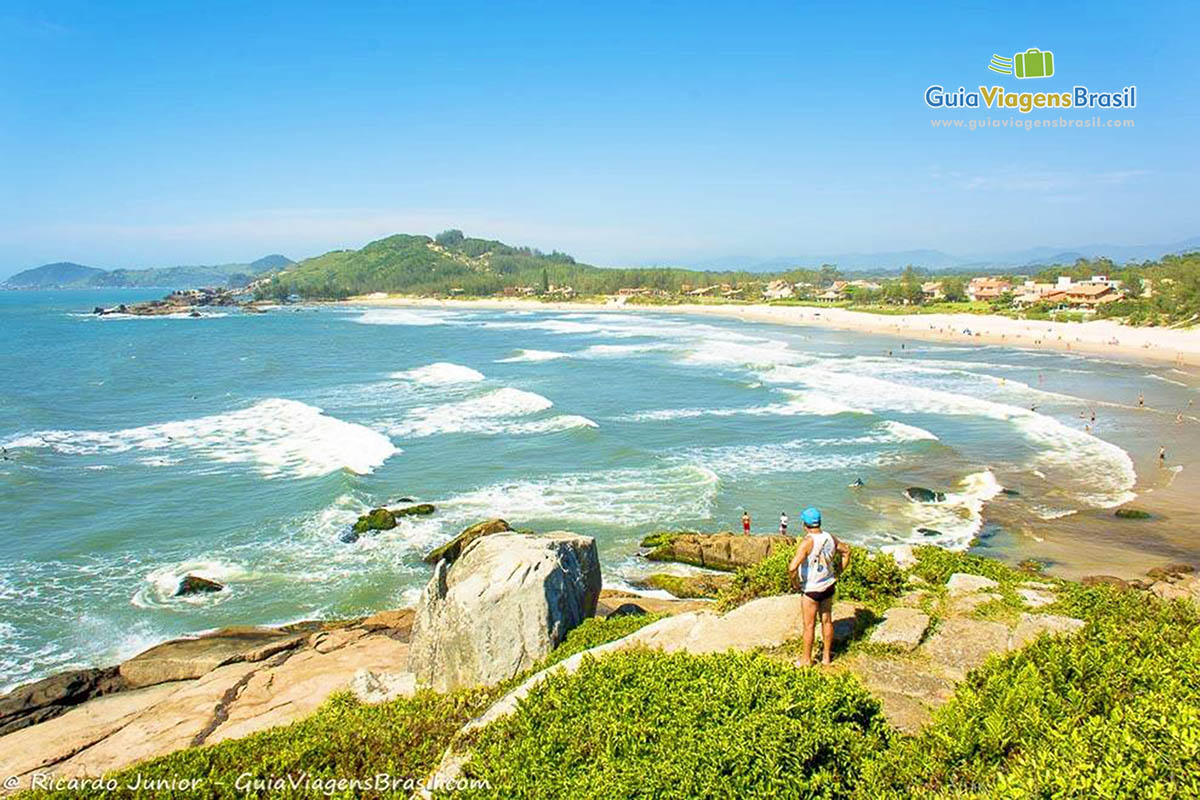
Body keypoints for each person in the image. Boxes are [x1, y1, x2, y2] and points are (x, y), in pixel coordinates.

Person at [788, 507, 851, 667]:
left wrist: (795, 583)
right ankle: (826, 658)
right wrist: (838, 573)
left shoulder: (807, 542)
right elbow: (846, 551)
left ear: (805, 525)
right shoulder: (830, 537)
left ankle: (806, 660)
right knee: (827, 621)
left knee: (809, 626)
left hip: (811, 589)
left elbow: (792, 567)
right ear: (819, 522)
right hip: (828, 585)